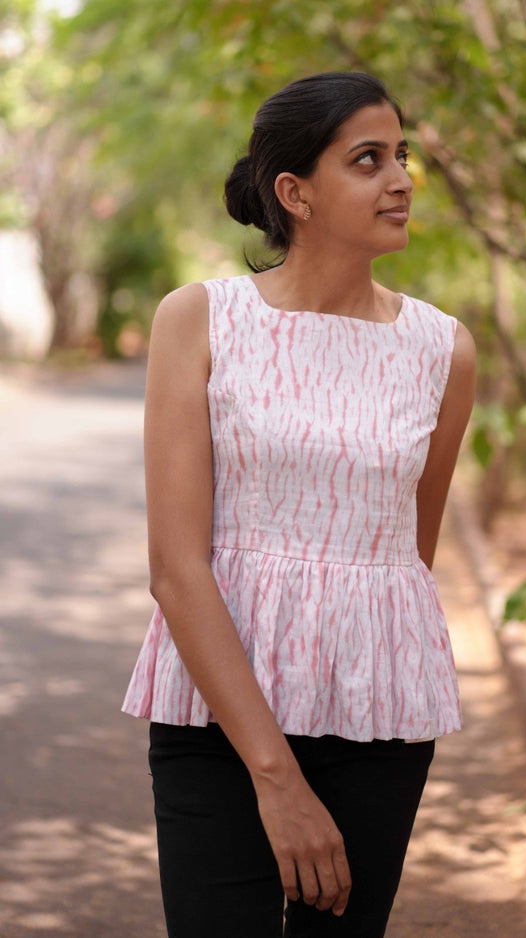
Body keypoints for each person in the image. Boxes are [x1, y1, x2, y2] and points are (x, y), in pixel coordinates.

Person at [122, 71, 476, 937]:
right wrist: (276, 779)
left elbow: (407, 556)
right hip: (216, 715)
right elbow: (176, 569)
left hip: (375, 716)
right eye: (368, 160)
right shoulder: (200, 320)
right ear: (295, 193)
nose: (401, 180)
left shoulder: (443, 349)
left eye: (401, 155)